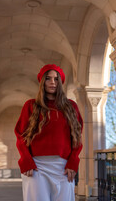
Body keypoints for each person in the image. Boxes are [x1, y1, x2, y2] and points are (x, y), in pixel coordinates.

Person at [14, 64, 83, 201]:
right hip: (36, 168)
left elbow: (77, 137)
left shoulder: (71, 107)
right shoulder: (31, 105)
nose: (52, 82)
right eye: (48, 78)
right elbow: (21, 136)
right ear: (42, 82)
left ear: (61, 83)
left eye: (56, 79)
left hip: (63, 168)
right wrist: (26, 160)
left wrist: (73, 162)